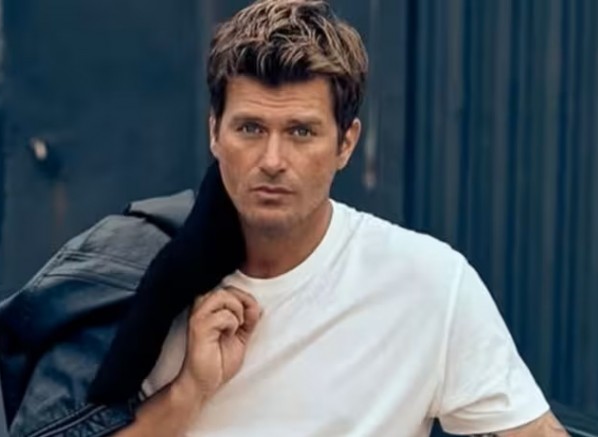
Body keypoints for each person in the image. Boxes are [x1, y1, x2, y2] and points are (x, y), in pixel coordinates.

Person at [115, 1, 567, 436]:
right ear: (215, 132)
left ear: (346, 144)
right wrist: (190, 391)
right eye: (250, 128)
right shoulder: (139, 279)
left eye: (301, 132)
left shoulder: (427, 283)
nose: (272, 160)